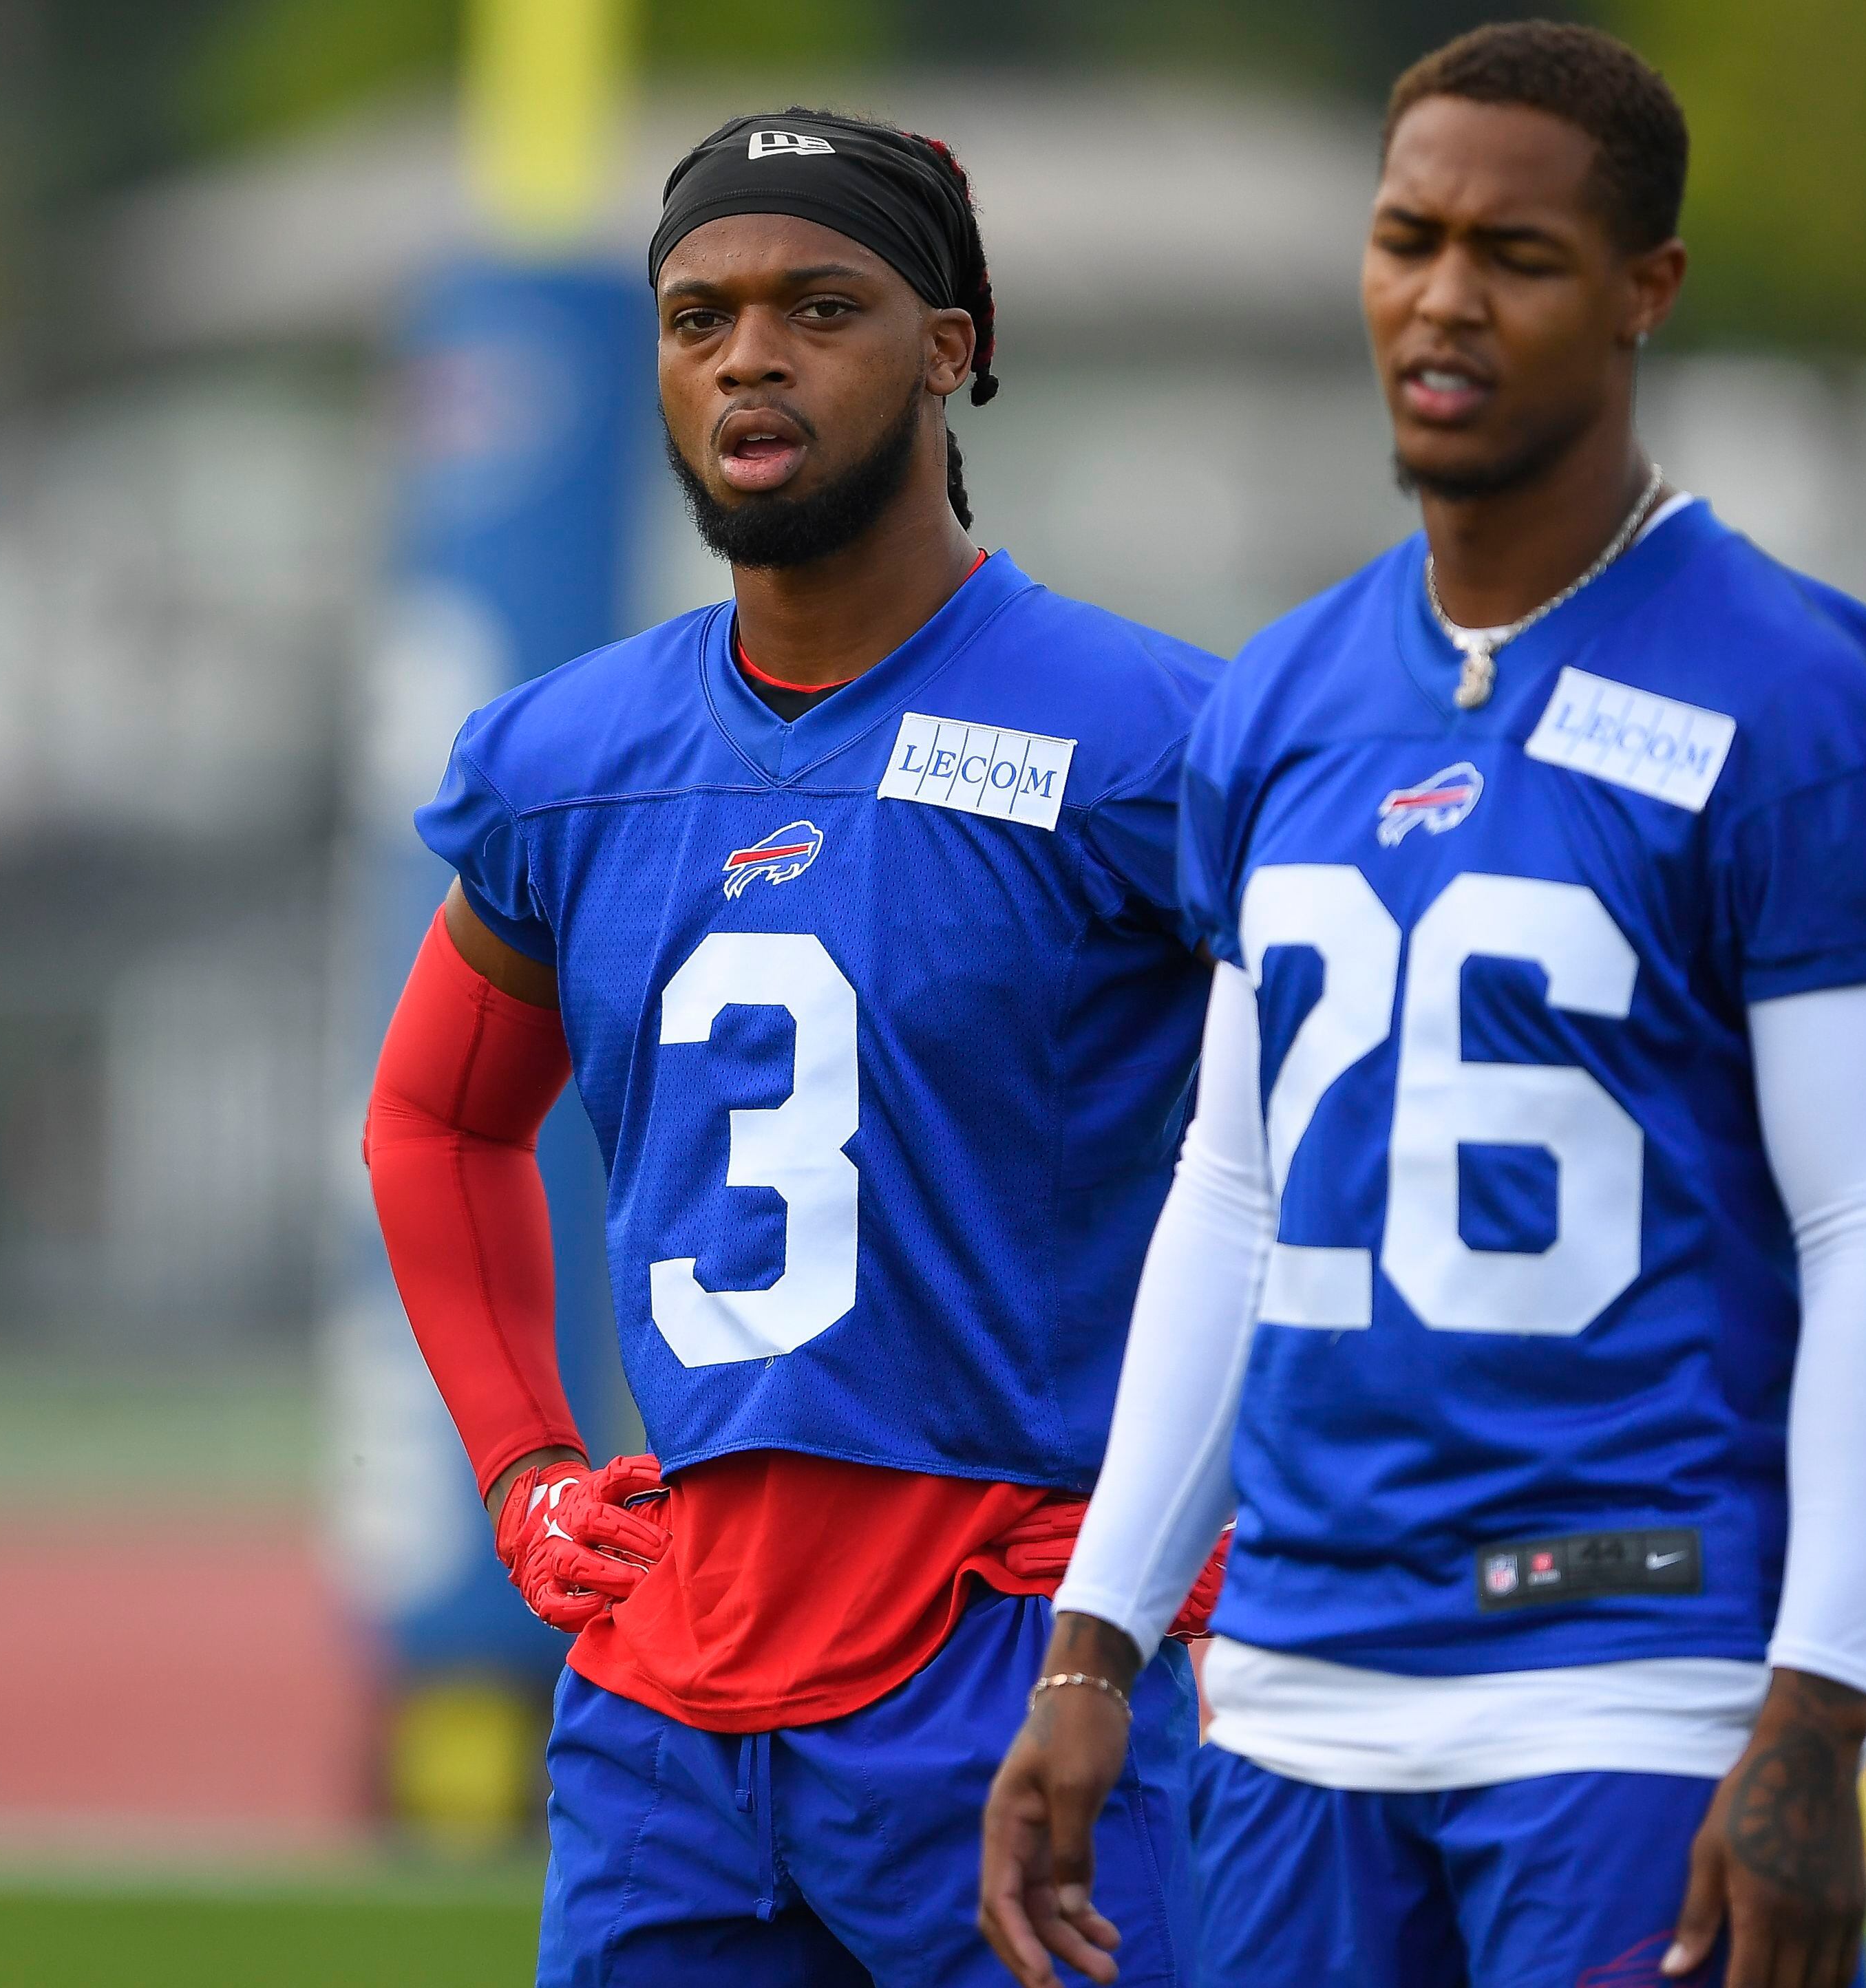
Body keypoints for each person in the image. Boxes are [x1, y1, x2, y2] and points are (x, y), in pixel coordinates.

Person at [979, 23, 1866, 1988]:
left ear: (1646, 291)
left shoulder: (1791, 700)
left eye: (1515, 255)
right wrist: (1097, 1632)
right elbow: (1236, 1187)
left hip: (1629, 1672)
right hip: (1291, 1678)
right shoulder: (1281, 702)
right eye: (1406, 237)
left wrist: (1818, 1710)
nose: (1444, 297)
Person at [365, 109, 1224, 1988]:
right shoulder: (569, 758)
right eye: (696, 315)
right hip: (671, 1686)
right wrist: (524, 1469)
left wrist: (1223, 1520)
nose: (747, 352)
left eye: (816, 304)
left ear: (950, 346)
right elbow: (434, 1119)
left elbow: (1342, 1134)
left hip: (1017, 1651)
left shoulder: (1152, 739)